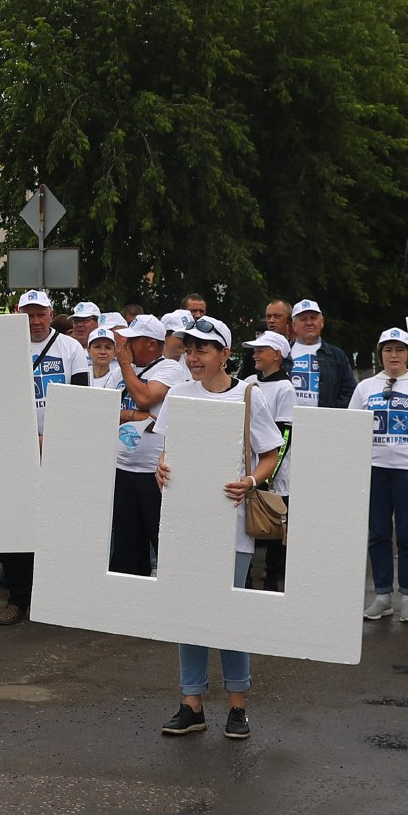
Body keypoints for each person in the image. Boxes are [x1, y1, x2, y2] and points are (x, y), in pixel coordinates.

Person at [151, 316, 283, 741]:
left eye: (202, 350)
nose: (193, 358)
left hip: (232, 528)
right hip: (185, 524)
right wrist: (161, 468)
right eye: (189, 350)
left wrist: (251, 481)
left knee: (228, 616)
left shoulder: (249, 395)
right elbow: (169, 451)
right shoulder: (178, 394)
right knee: (188, 614)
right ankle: (192, 704)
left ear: (225, 354)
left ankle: (237, 707)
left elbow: (270, 453)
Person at [0, 289, 87, 626]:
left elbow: (80, 397)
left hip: (58, 448)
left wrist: (55, 437)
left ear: (51, 314)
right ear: (19, 313)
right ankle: (18, 598)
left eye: (41, 314)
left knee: (58, 523)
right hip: (14, 448)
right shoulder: (4, 347)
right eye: (29, 314)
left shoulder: (71, 348)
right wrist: (22, 436)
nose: (35, 321)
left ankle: (57, 597)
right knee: (14, 522)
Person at [355, 328, 408, 623]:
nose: (394, 355)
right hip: (374, 470)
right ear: (380, 354)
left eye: (400, 350)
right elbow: (351, 429)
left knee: (407, 535)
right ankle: (382, 595)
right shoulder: (366, 387)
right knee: (378, 534)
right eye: (388, 350)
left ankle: (407, 596)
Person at [109, 313, 190, 574]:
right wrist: (134, 416)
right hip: (121, 470)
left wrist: (124, 367)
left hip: (153, 474)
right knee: (126, 549)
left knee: (163, 544)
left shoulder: (170, 368)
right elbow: (102, 409)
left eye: (133, 341)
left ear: (151, 345)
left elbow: (145, 398)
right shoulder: (122, 371)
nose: (125, 346)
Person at [245, 329, 296, 591]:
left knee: (275, 526)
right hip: (249, 467)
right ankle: (245, 578)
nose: (255, 354)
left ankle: (273, 581)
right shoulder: (249, 381)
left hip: (274, 474)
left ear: (277, 355)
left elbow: (285, 433)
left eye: (261, 350)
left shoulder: (285, 387)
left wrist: (269, 473)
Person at [286, 300, 357, 410]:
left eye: (313, 318)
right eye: (303, 319)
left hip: (325, 423)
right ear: (294, 326)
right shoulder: (284, 354)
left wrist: (330, 412)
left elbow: (349, 392)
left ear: (322, 322)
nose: (309, 323)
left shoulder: (337, 356)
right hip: (290, 422)